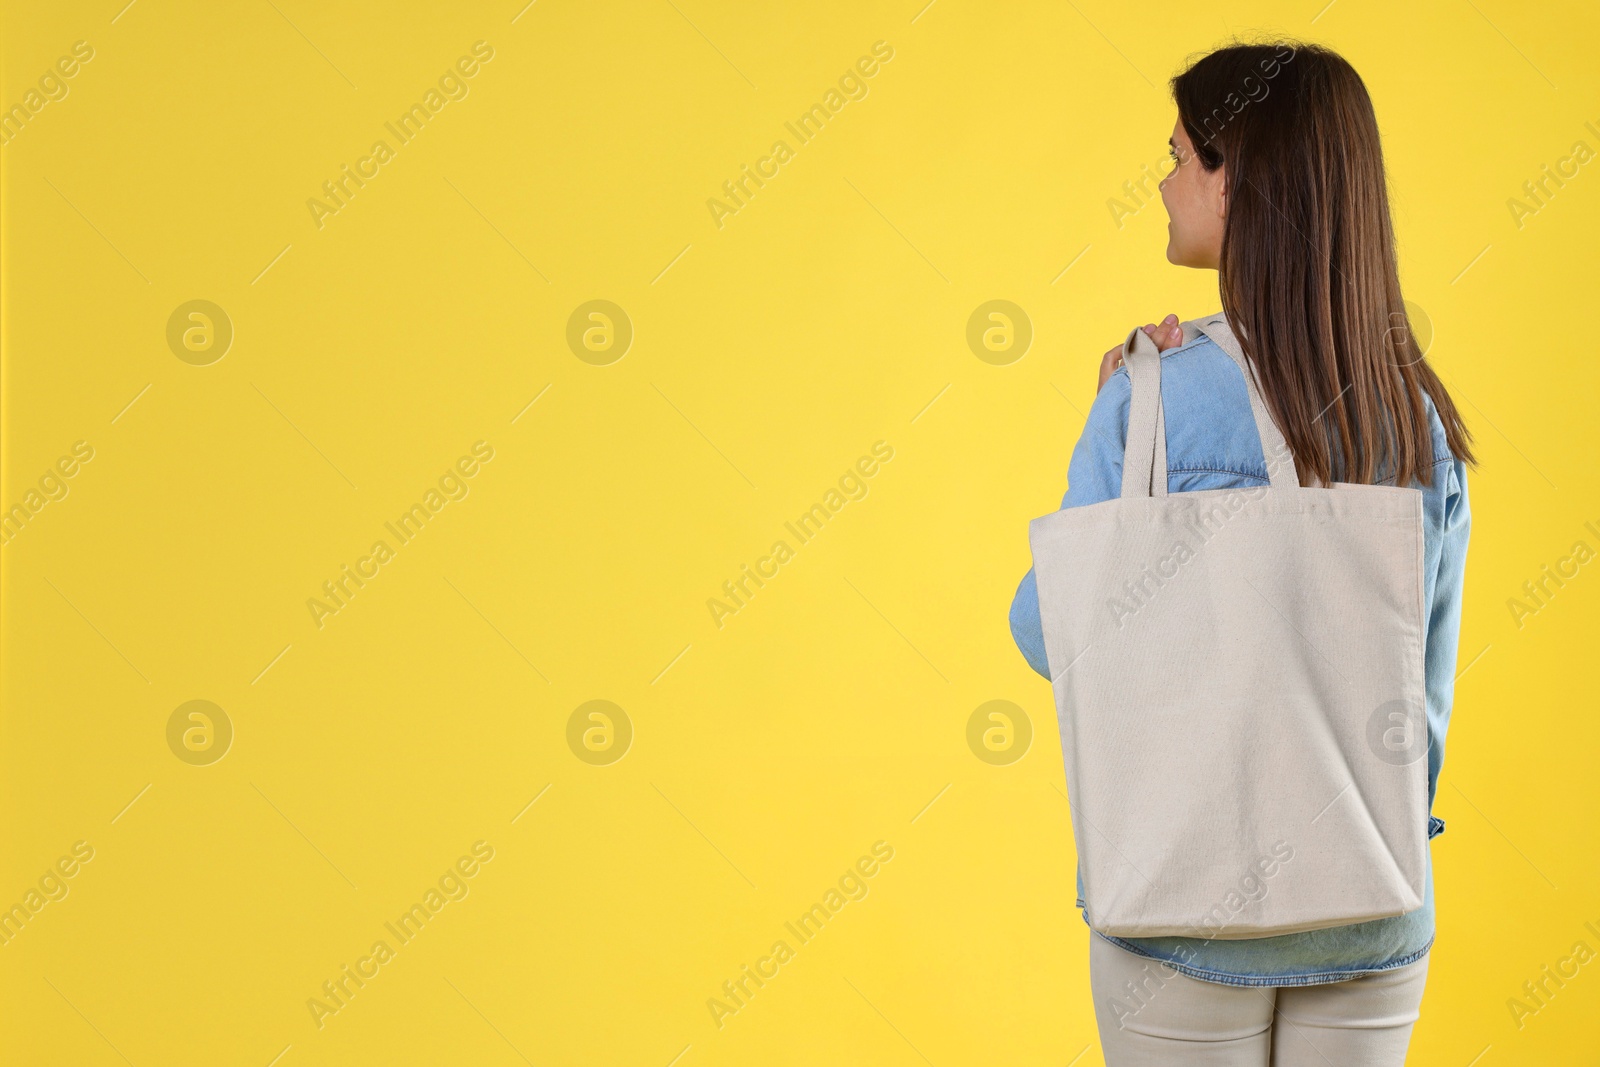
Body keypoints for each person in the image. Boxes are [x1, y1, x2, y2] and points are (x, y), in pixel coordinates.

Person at [1008, 41, 1474, 1065]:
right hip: (1371, 901)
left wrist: (1115, 422)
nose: (1164, 181)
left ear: (1241, 176)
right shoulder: (1416, 415)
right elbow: (1420, 698)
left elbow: (1050, 632)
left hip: (1180, 906)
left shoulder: (1151, 396)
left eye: (1180, 155)